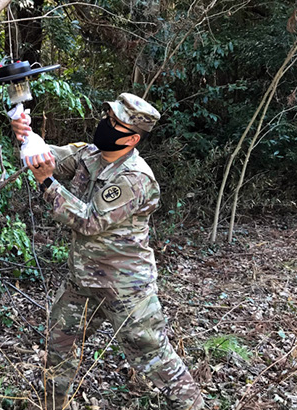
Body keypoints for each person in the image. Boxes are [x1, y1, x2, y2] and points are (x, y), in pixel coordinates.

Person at [11, 93, 205, 410]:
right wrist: (26, 135)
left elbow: (89, 221)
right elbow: (49, 158)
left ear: (131, 137)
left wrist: (47, 183)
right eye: (109, 118)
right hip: (83, 280)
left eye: (116, 123)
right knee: (59, 344)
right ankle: (50, 405)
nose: (106, 125)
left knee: (152, 357)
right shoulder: (90, 154)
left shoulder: (136, 178)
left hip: (125, 287)